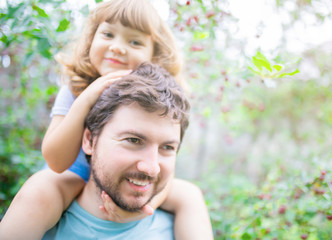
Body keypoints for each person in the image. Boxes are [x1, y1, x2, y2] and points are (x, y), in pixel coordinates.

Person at [0, 0, 213, 239]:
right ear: (92, 38)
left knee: (190, 195)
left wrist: (146, 207)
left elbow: (161, 168)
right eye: (108, 34)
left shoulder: (159, 100)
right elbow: (56, 161)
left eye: (134, 42)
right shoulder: (76, 89)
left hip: (124, 180)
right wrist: (86, 99)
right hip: (73, 175)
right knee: (41, 188)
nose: (118, 47)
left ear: (153, 55)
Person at [41, 63, 201, 239]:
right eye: (133, 140)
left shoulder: (186, 225)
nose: (152, 168)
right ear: (89, 140)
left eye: (167, 147)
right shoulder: (38, 221)